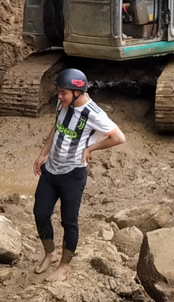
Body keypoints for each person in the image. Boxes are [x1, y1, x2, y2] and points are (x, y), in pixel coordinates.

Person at [32, 69, 126, 281]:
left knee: (69, 222)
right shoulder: (63, 104)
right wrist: (43, 154)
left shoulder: (93, 113)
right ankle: (50, 253)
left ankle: (64, 266)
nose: (59, 96)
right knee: (40, 213)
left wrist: (91, 148)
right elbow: (56, 127)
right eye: (58, 92)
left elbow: (118, 137)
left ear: (77, 92)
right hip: (51, 170)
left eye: (63, 92)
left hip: (72, 174)